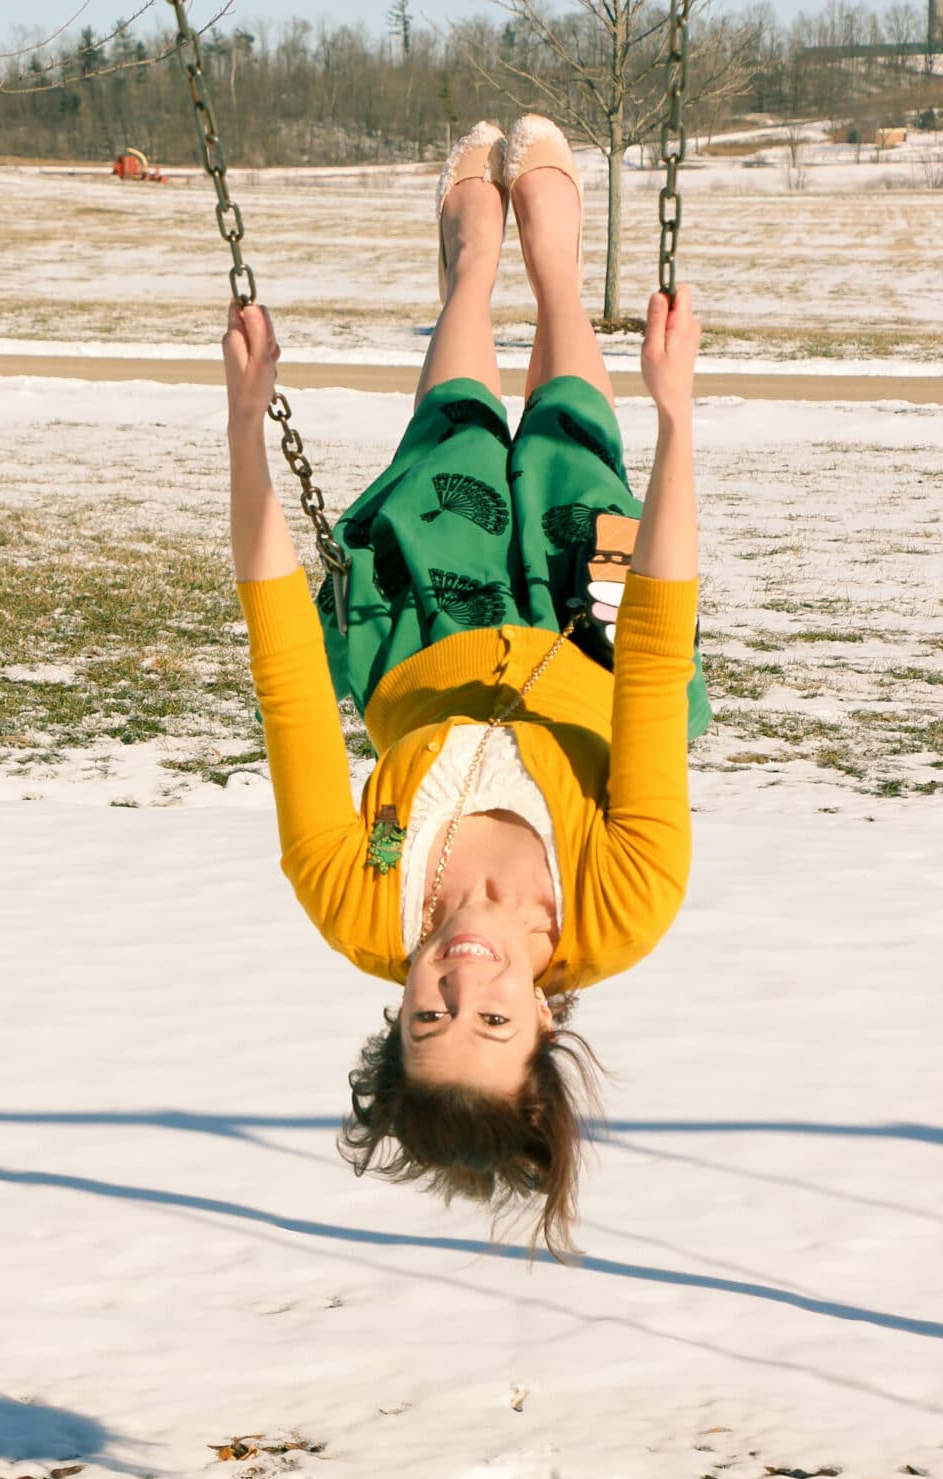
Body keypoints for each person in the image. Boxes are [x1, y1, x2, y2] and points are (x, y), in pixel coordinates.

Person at [223, 116, 710, 1258]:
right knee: (567, 437)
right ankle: (552, 269)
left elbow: (288, 678)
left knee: (452, 433)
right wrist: (677, 418)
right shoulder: (625, 906)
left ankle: (472, 259)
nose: (461, 978)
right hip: (593, 647)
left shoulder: (356, 903)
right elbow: (652, 656)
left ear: (395, 1017)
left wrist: (246, 429)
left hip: (424, 633)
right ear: (541, 1023)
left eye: (429, 1017)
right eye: (489, 1020)